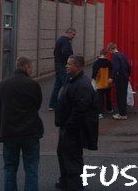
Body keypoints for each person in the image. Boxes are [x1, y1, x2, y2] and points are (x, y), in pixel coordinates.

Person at [0, 56, 44, 191]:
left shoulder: (4, 84)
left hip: (9, 131)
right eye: (31, 67)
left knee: (10, 168)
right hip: (30, 131)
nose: (32, 70)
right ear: (26, 67)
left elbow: (2, 107)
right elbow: (37, 104)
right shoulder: (33, 84)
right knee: (31, 168)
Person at [55, 55, 98, 191]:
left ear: (78, 67)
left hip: (73, 130)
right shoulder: (74, 80)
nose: (66, 66)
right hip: (67, 127)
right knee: (63, 155)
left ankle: (74, 186)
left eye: (69, 64)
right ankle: (65, 182)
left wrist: (69, 126)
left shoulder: (82, 84)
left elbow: (81, 110)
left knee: (72, 159)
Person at [48, 27, 76, 110]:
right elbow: (66, 52)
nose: (74, 36)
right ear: (69, 33)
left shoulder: (60, 40)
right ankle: (66, 104)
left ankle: (52, 104)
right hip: (62, 65)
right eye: (73, 34)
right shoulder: (65, 41)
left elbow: (55, 52)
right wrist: (70, 61)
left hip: (58, 64)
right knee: (67, 84)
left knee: (57, 85)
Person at [107, 42, 131, 120]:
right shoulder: (122, 55)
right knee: (123, 96)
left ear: (111, 49)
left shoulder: (115, 56)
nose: (110, 53)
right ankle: (122, 113)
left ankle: (122, 114)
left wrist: (111, 77)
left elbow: (116, 68)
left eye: (109, 51)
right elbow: (128, 66)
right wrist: (128, 75)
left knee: (119, 96)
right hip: (125, 77)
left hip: (119, 78)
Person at [92, 49, 113, 118]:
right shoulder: (109, 62)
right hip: (107, 83)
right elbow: (111, 71)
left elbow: (94, 74)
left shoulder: (96, 63)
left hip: (100, 83)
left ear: (100, 54)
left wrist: (94, 80)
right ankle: (109, 109)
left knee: (100, 98)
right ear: (106, 55)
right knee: (108, 96)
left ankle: (100, 112)